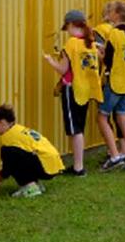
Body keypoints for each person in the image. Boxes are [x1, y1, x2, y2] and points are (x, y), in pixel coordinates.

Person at [43, 10, 103, 176]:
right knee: (79, 127)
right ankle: (79, 165)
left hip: (72, 89)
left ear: (71, 25)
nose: (67, 31)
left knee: (74, 129)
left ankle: (78, 167)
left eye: (67, 27)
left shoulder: (71, 44)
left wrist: (50, 61)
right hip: (86, 90)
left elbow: (63, 69)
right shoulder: (91, 44)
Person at [97, 0, 125, 171]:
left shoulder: (114, 33)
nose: (108, 14)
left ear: (116, 14)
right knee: (123, 119)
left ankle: (115, 155)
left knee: (102, 116)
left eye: (110, 11)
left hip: (116, 82)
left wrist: (99, 52)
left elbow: (108, 60)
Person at [0, 104, 65, 196]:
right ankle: (35, 184)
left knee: (9, 153)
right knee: (19, 156)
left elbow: (7, 168)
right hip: (53, 165)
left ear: (2, 122)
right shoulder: (19, 129)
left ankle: (30, 187)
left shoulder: (7, 137)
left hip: (45, 167)